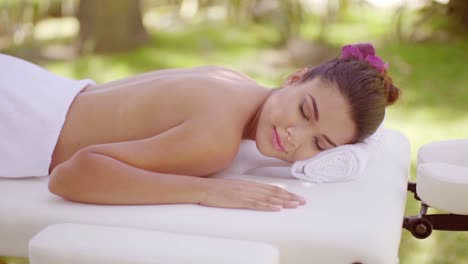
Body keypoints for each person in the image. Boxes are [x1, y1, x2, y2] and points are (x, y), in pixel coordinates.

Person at [0, 43, 399, 211]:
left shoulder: (235, 80)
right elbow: (72, 177)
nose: (296, 137)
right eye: (305, 111)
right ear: (296, 77)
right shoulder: (216, 139)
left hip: (34, 87)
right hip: (18, 123)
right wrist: (207, 189)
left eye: (320, 143)